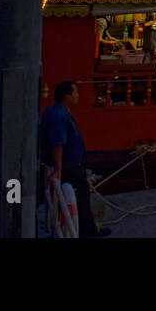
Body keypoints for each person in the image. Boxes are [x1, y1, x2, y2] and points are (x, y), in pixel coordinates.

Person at [40, 81, 109, 237]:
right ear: (67, 96)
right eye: (75, 92)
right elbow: (58, 143)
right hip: (69, 167)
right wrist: (58, 169)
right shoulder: (59, 115)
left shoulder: (56, 111)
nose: (78, 95)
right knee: (81, 197)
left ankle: (83, 228)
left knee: (78, 197)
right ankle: (86, 230)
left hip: (71, 164)